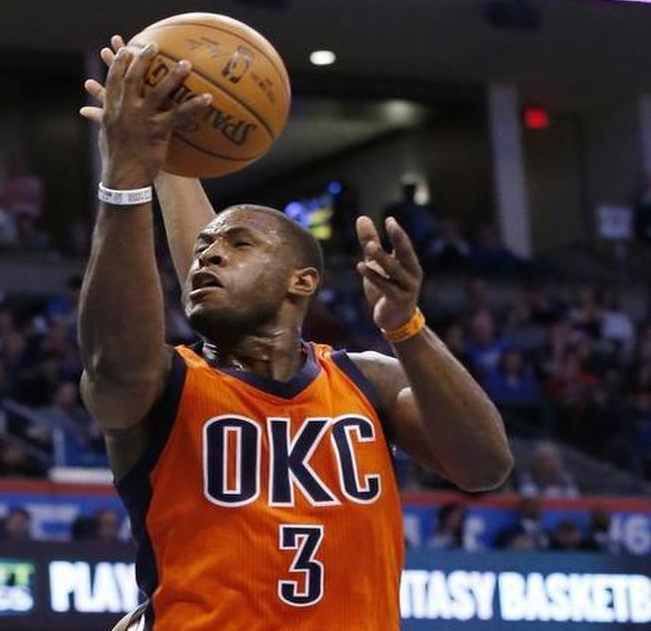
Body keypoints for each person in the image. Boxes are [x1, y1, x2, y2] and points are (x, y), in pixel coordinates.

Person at [78, 36, 512, 631]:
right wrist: (132, 171)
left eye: (238, 245)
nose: (208, 258)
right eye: (203, 249)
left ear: (302, 281)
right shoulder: (165, 387)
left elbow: (485, 466)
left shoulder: (367, 380)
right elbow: (113, 359)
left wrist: (407, 328)